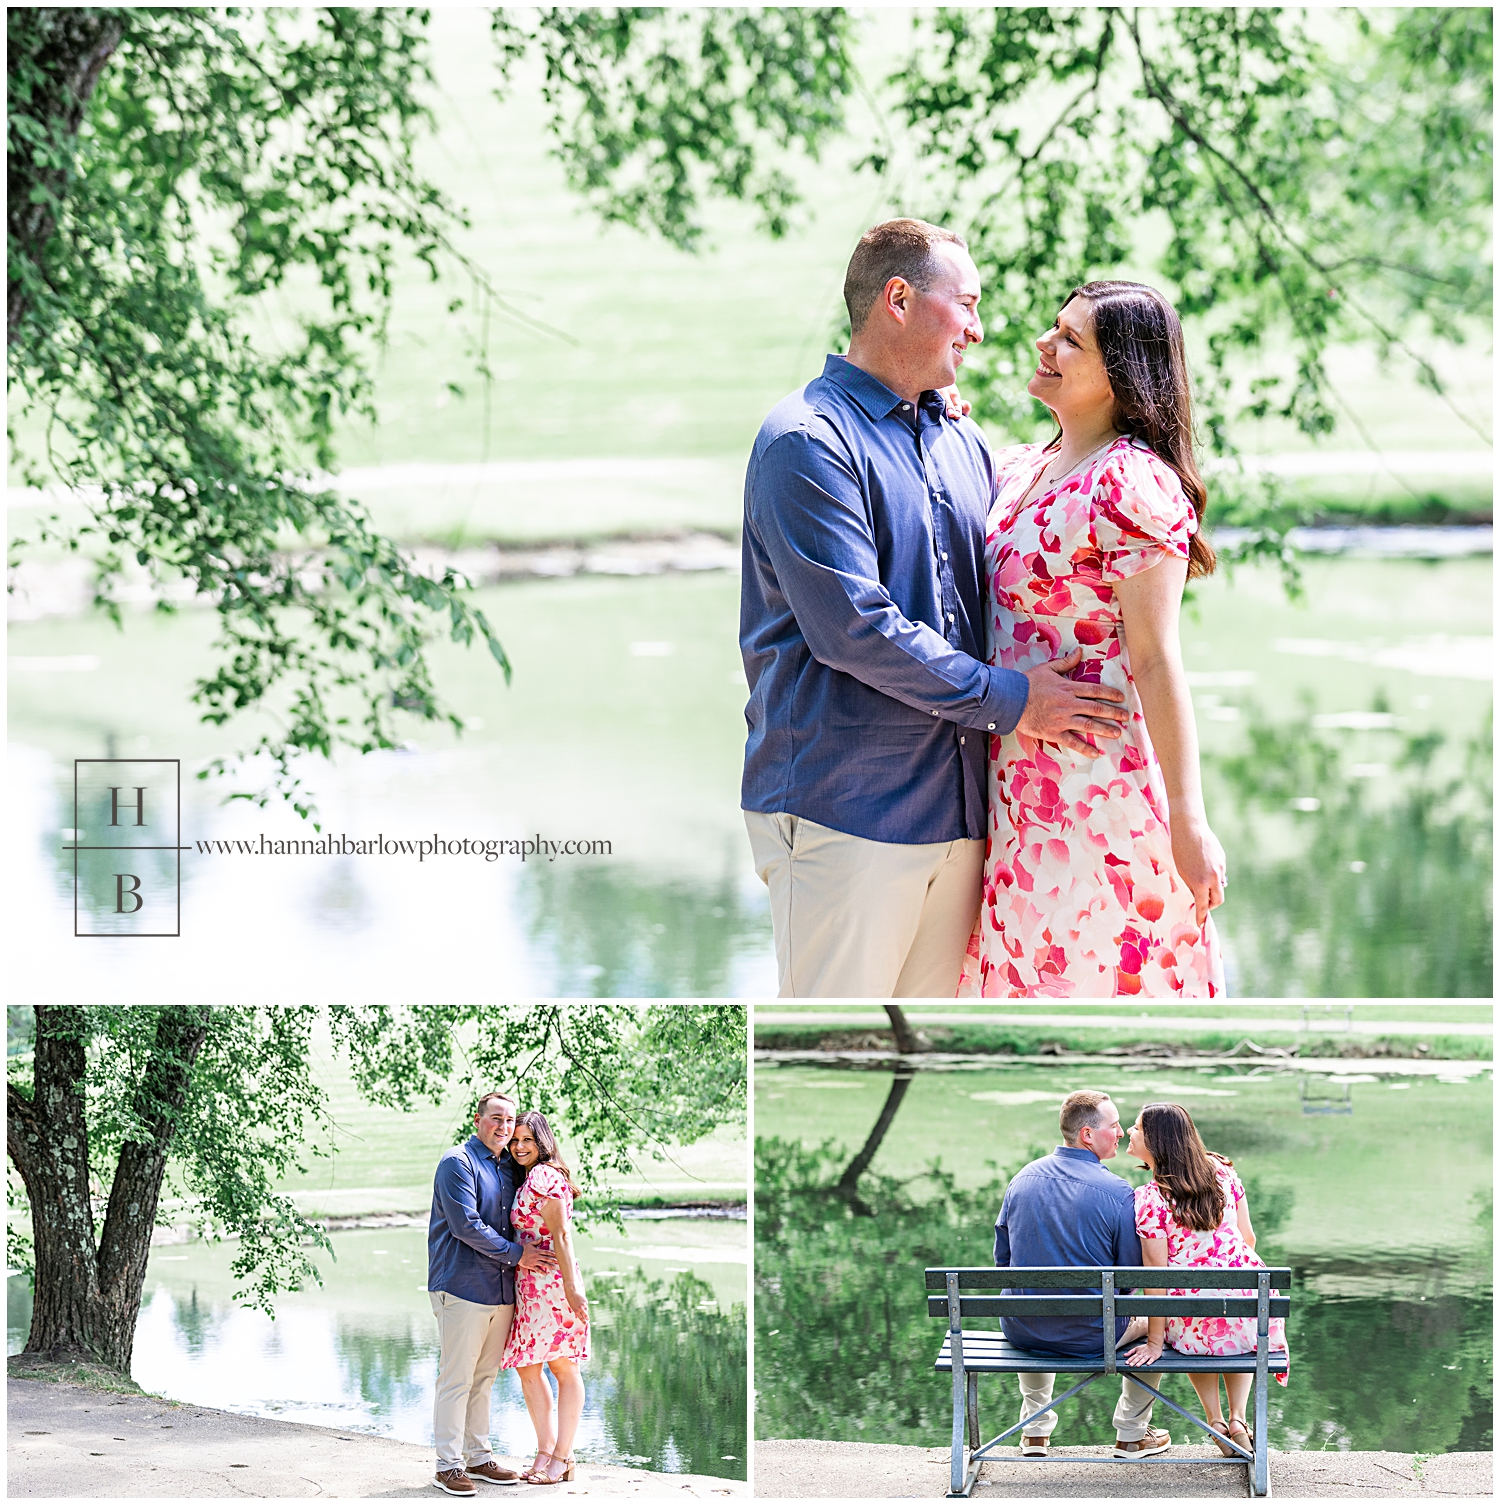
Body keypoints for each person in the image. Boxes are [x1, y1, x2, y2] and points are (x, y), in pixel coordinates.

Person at [739, 218, 1130, 998]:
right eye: (968, 304)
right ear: (898, 299)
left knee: (916, 1047)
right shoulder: (807, 443)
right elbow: (856, 629)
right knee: (831, 1049)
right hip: (846, 814)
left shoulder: (961, 441)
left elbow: (1034, 521)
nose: (981, 331)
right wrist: (1016, 700)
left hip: (961, 820)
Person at [968, 280, 1227, 997]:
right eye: (1054, 329)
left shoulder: (1131, 484)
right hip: (1017, 790)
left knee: (1094, 973)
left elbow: (1155, 655)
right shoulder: (1019, 468)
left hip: (1097, 791)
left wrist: (1188, 817)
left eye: (1070, 340)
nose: (1044, 345)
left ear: (1122, 374)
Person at [993, 1090, 1171, 1460]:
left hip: (1021, 1329)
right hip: (1093, 1336)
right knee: (1160, 1325)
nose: (1121, 1132)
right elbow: (1129, 1279)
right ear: (1088, 1135)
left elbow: (1004, 1259)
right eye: (1114, 1125)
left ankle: (1035, 1432)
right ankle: (1132, 1434)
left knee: (1031, 1303)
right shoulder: (1119, 1193)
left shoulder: (1022, 1178)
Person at [1122, 1101, 1289, 1456]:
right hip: (1251, 1312)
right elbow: (1249, 1239)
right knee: (1230, 1320)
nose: (1130, 1132)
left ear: (1157, 1141)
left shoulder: (1151, 1198)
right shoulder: (1224, 1173)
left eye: (1136, 1127)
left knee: (1197, 1317)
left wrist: (1154, 1343)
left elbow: (1157, 1276)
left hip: (1191, 1320)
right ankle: (1239, 1419)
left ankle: (1215, 1421)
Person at [427, 1091, 557, 1497]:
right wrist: (520, 1255)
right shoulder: (457, 1163)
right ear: (478, 1119)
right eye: (496, 1118)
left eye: (509, 1120)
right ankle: (447, 1466)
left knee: (483, 1379)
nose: (504, 1127)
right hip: (462, 1287)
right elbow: (466, 1226)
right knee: (456, 1379)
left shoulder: (507, 1167)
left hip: (501, 1290)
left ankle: (477, 1457)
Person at [501, 1111, 590, 1486]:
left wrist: (573, 1289)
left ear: (543, 1143)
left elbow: (562, 1235)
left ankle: (563, 1457)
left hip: (553, 1286)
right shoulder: (529, 1177)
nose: (520, 1147)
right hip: (529, 1286)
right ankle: (545, 1450)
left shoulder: (546, 1176)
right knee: (528, 1368)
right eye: (516, 1140)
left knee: (563, 1368)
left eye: (528, 1141)